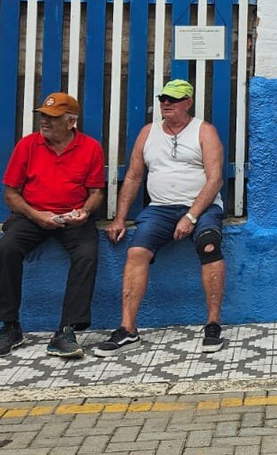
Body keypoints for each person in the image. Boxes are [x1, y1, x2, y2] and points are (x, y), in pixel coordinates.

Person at [95, 79, 226, 356]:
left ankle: (213, 323)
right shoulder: (148, 133)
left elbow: (215, 179)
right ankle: (128, 329)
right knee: (136, 252)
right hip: (160, 208)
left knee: (209, 244)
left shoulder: (204, 131)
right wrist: (119, 219)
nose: (166, 104)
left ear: (188, 103)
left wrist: (191, 216)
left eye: (173, 99)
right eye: (163, 99)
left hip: (201, 207)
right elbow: (133, 176)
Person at [0, 93, 105, 359]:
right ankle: (10, 326)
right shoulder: (28, 145)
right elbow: (11, 194)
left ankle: (67, 330)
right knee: (6, 249)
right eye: (43, 116)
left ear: (71, 121)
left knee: (86, 254)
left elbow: (96, 192)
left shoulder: (91, 148)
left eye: (52, 118)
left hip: (73, 216)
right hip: (31, 215)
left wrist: (85, 212)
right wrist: (36, 215)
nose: (45, 122)